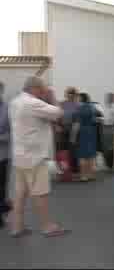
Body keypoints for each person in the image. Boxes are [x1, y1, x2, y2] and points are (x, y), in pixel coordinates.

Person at [9, 76, 69, 238]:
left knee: (20, 193)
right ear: (34, 88)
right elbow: (58, 112)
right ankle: (47, 226)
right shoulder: (33, 103)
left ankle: (17, 226)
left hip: (19, 155)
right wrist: (52, 97)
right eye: (41, 89)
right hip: (34, 156)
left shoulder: (15, 102)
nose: (43, 93)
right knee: (41, 192)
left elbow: (35, 121)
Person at [71, 93, 98, 182]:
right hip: (91, 131)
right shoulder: (92, 108)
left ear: (81, 99)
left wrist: (73, 137)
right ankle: (91, 174)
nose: (76, 100)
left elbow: (76, 125)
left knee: (82, 155)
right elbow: (96, 120)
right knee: (91, 154)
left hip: (82, 133)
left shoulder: (78, 110)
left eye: (77, 98)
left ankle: (83, 176)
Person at [59, 87, 80, 176]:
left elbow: (78, 119)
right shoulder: (61, 104)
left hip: (74, 128)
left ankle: (74, 169)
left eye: (72, 93)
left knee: (73, 149)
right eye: (69, 93)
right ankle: (65, 170)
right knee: (63, 150)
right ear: (66, 94)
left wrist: (74, 132)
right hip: (63, 128)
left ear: (75, 95)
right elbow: (57, 116)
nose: (70, 95)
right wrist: (57, 125)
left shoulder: (78, 105)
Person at [0, 82, 11, 229]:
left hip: (2, 154)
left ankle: (1, 215)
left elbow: (11, 132)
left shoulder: (7, 108)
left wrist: (2, 138)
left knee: (1, 186)